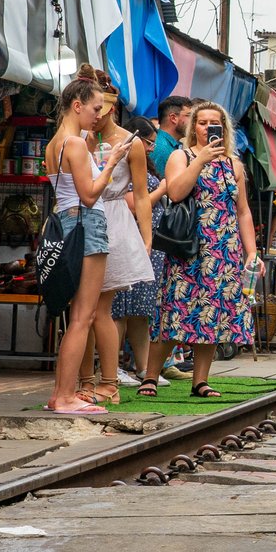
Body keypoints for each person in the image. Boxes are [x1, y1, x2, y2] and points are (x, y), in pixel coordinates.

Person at [46, 73, 147, 413]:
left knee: (78, 316)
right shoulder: (75, 144)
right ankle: (65, 395)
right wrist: (112, 162)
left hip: (66, 222)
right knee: (83, 317)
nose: (98, 115)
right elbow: (90, 195)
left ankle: (63, 392)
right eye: (94, 108)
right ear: (77, 106)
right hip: (88, 223)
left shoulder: (54, 144)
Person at [154, 99, 256, 399]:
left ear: (223, 129)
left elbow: (243, 211)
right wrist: (200, 161)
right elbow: (175, 192)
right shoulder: (180, 156)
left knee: (213, 315)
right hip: (189, 246)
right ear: (192, 127)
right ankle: (150, 375)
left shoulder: (233, 164)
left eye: (215, 123)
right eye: (202, 122)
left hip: (223, 249)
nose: (209, 128)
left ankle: (200, 381)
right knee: (177, 311)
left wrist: (251, 252)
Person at [109, 116, 163, 393]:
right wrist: (163, 189)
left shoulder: (143, 158)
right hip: (129, 237)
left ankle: (143, 367)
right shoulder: (123, 154)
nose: (152, 147)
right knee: (120, 308)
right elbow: (133, 202)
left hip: (146, 242)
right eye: (149, 141)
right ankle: (112, 367)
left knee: (141, 310)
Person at [148, 96, 192, 177]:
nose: (193, 121)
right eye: (189, 115)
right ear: (173, 118)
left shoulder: (169, 144)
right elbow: (159, 185)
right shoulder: (161, 148)